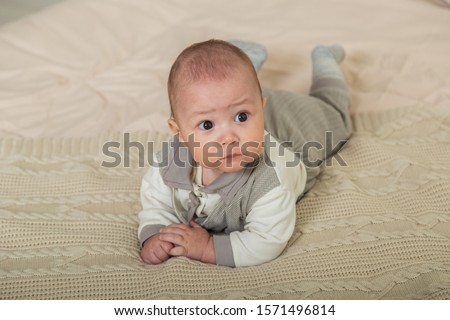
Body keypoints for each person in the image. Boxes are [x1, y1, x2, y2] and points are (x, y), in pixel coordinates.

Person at [138, 39, 352, 267]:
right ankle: (246, 71)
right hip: (247, 109)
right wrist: (155, 235)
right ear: (179, 132)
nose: (228, 138)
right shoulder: (170, 160)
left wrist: (207, 248)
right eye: (207, 125)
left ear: (262, 107)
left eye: (241, 117)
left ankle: (325, 60)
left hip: (293, 132)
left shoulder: (270, 181)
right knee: (228, 95)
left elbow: (266, 240)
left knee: (336, 119)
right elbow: (156, 202)